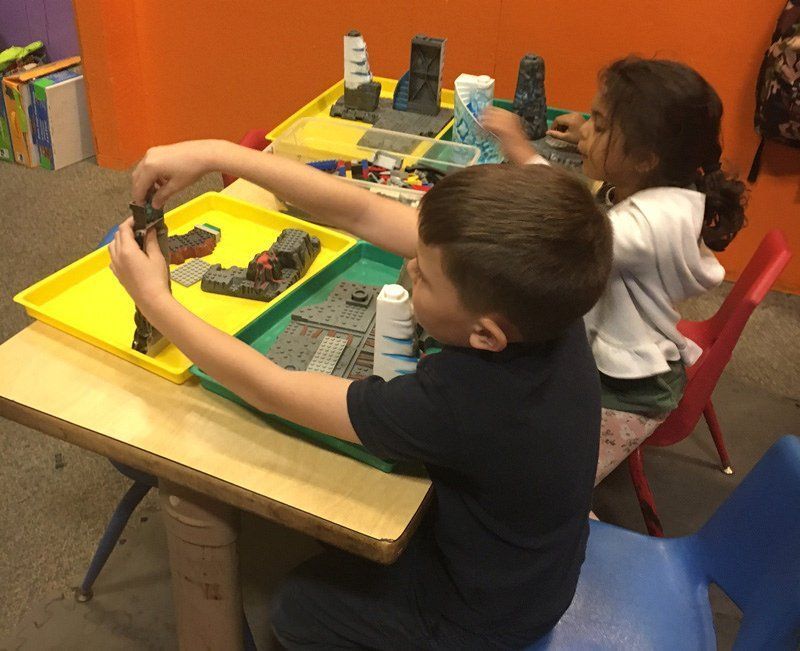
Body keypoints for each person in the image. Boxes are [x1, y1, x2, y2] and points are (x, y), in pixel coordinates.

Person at [109, 149, 612, 648]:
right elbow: (361, 211)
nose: (410, 267)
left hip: (485, 617)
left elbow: (273, 389)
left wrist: (153, 299)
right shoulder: (543, 305)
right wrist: (215, 153)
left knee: (297, 608)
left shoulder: (461, 404)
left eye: (425, 277)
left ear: (485, 335)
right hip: (538, 566)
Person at [483, 56, 747, 482]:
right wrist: (585, 136)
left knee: (541, 482)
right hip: (616, 360)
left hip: (624, 391)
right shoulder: (666, 185)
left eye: (601, 126)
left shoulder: (648, 226)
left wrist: (521, 151)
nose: (586, 128)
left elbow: (575, 228)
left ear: (644, 158)